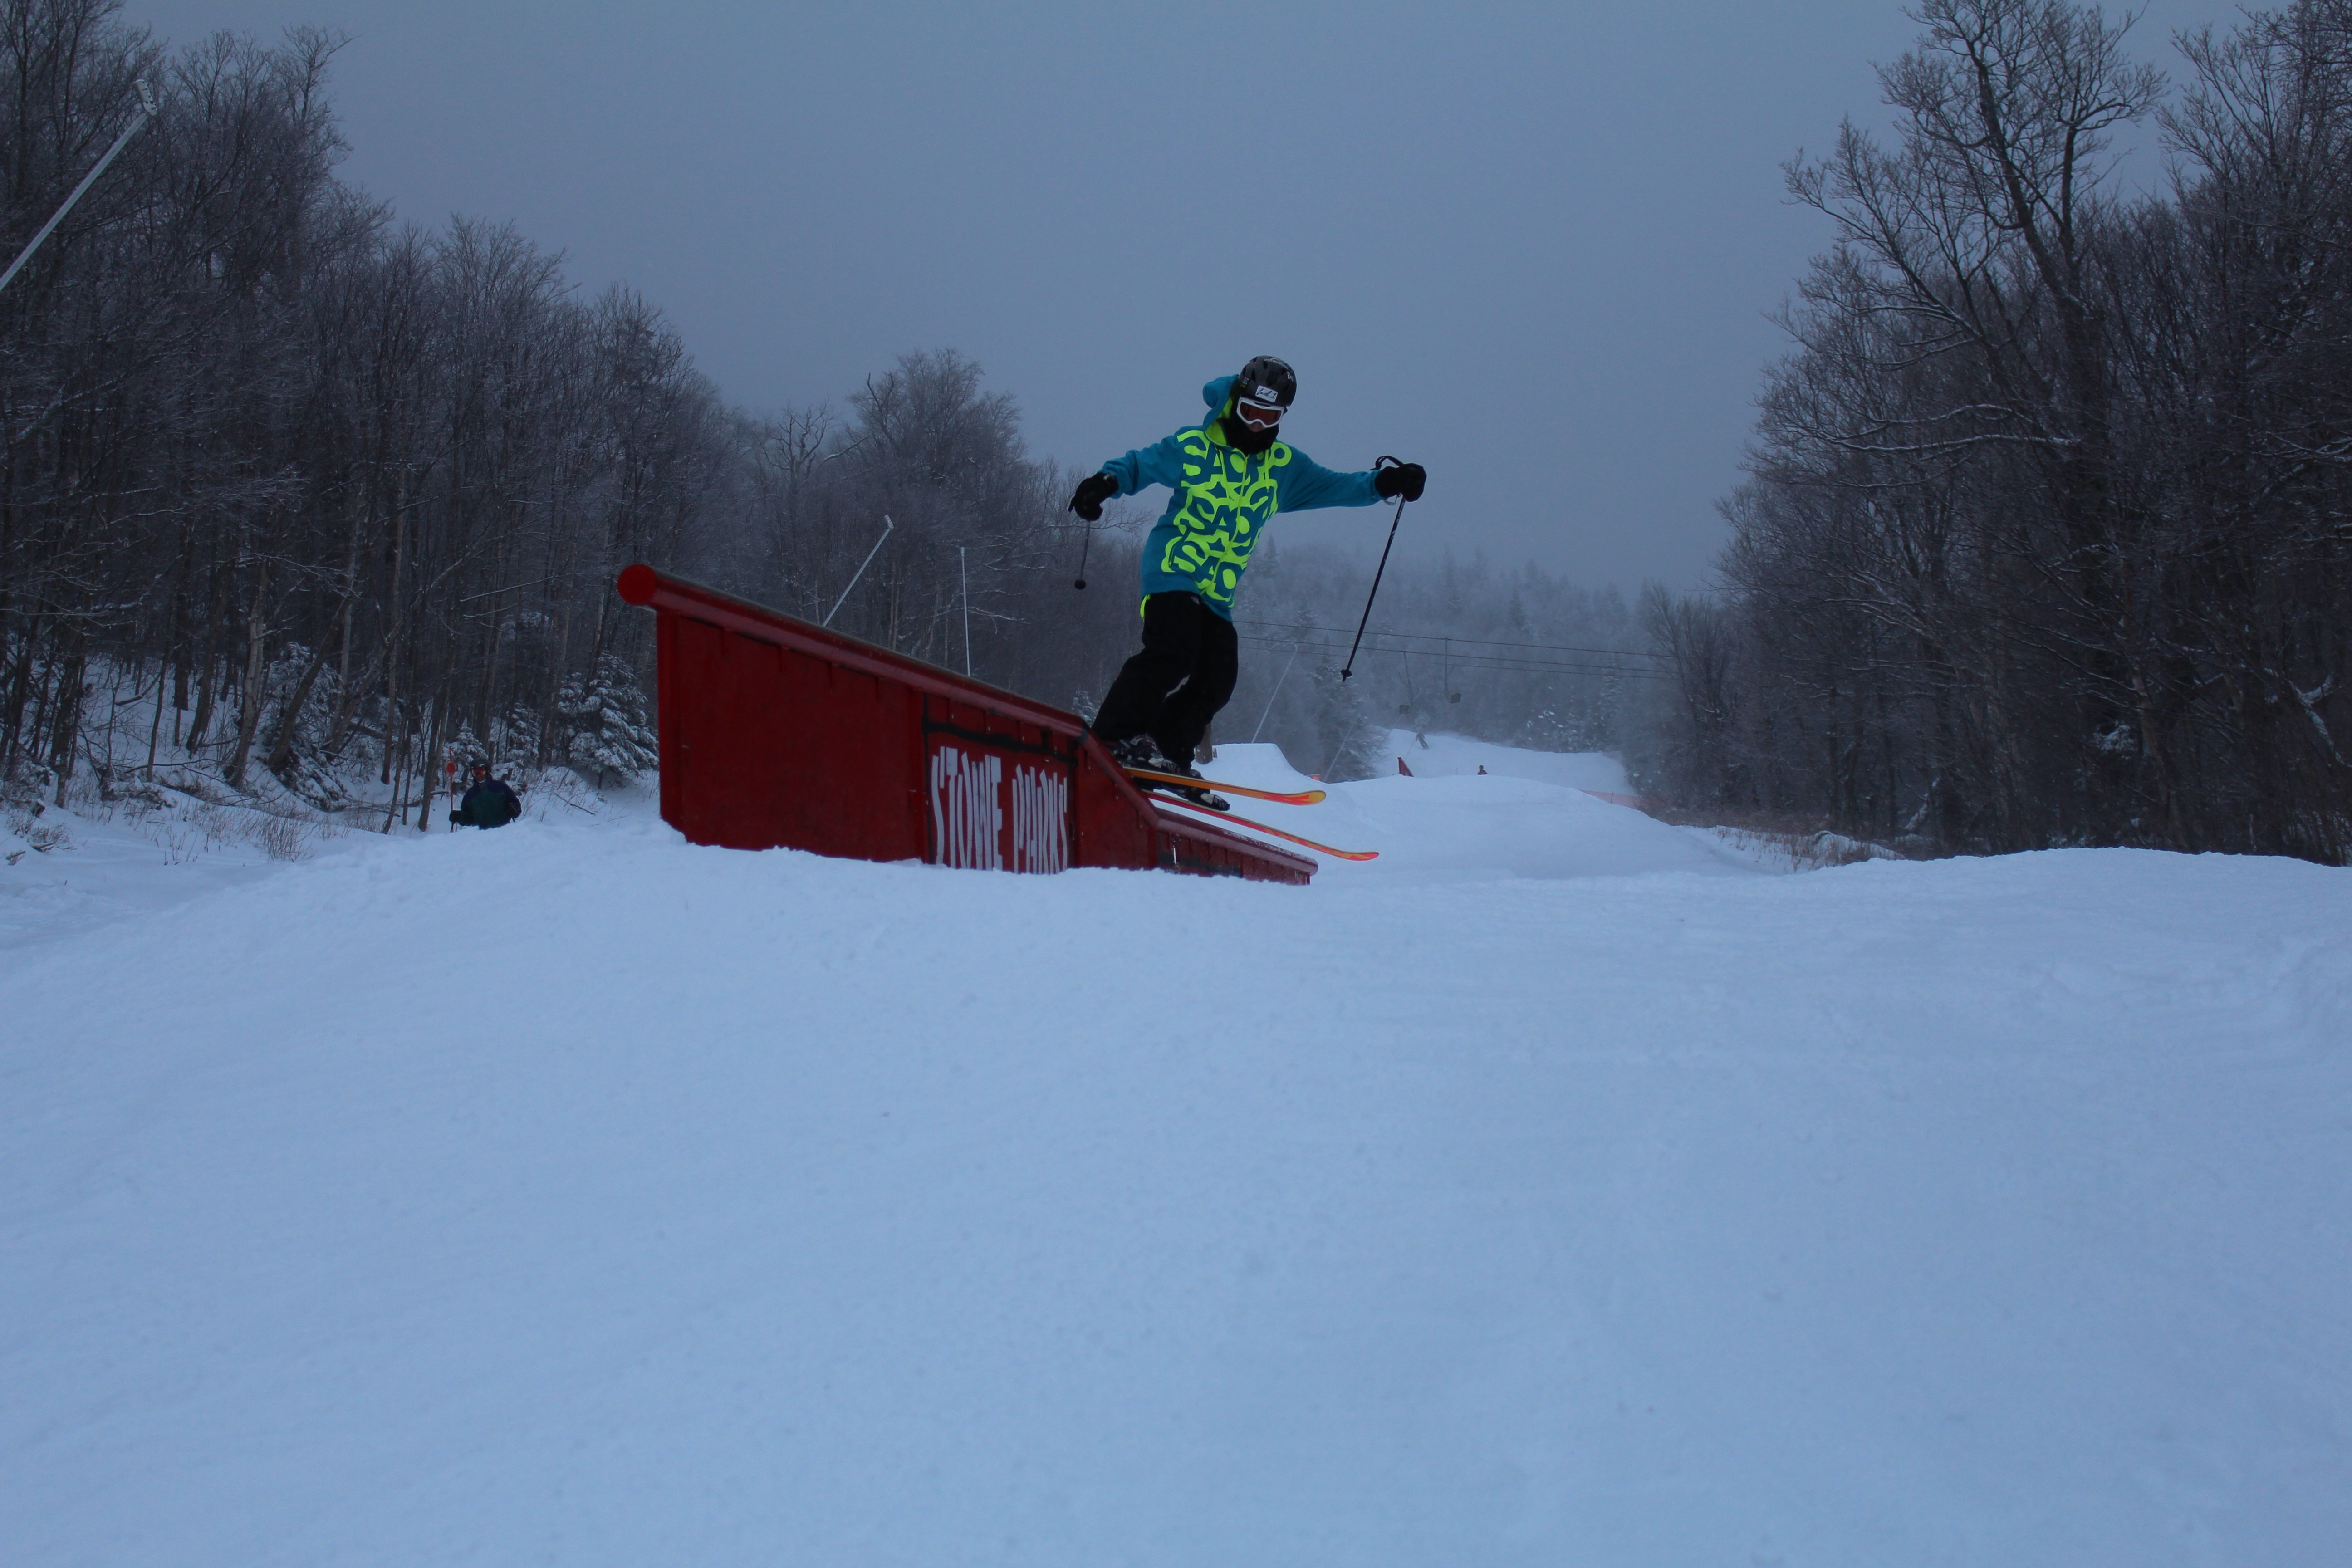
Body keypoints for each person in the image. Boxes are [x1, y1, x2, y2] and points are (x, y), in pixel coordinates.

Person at [1068, 355, 1425, 807]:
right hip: (1173, 569)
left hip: (1217, 593)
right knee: (1174, 650)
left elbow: (1338, 486)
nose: (1258, 425)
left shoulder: (1283, 468)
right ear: (1236, 403)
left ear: (1282, 417)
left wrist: (1387, 482)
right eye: (1250, 412)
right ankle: (1113, 737)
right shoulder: (1195, 446)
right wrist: (1102, 485)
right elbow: (1139, 466)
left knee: (1220, 675)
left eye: (1270, 416)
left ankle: (1167, 751)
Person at [450, 759, 522, 829]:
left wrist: (514, 809)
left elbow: (516, 805)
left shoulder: (501, 787)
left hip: (503, 832)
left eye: (481, 772)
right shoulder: (470, 794)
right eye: (475, 773)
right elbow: (469, 818)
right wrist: (459, 817)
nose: (478, 775)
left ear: (487, 771)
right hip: (482, 836)